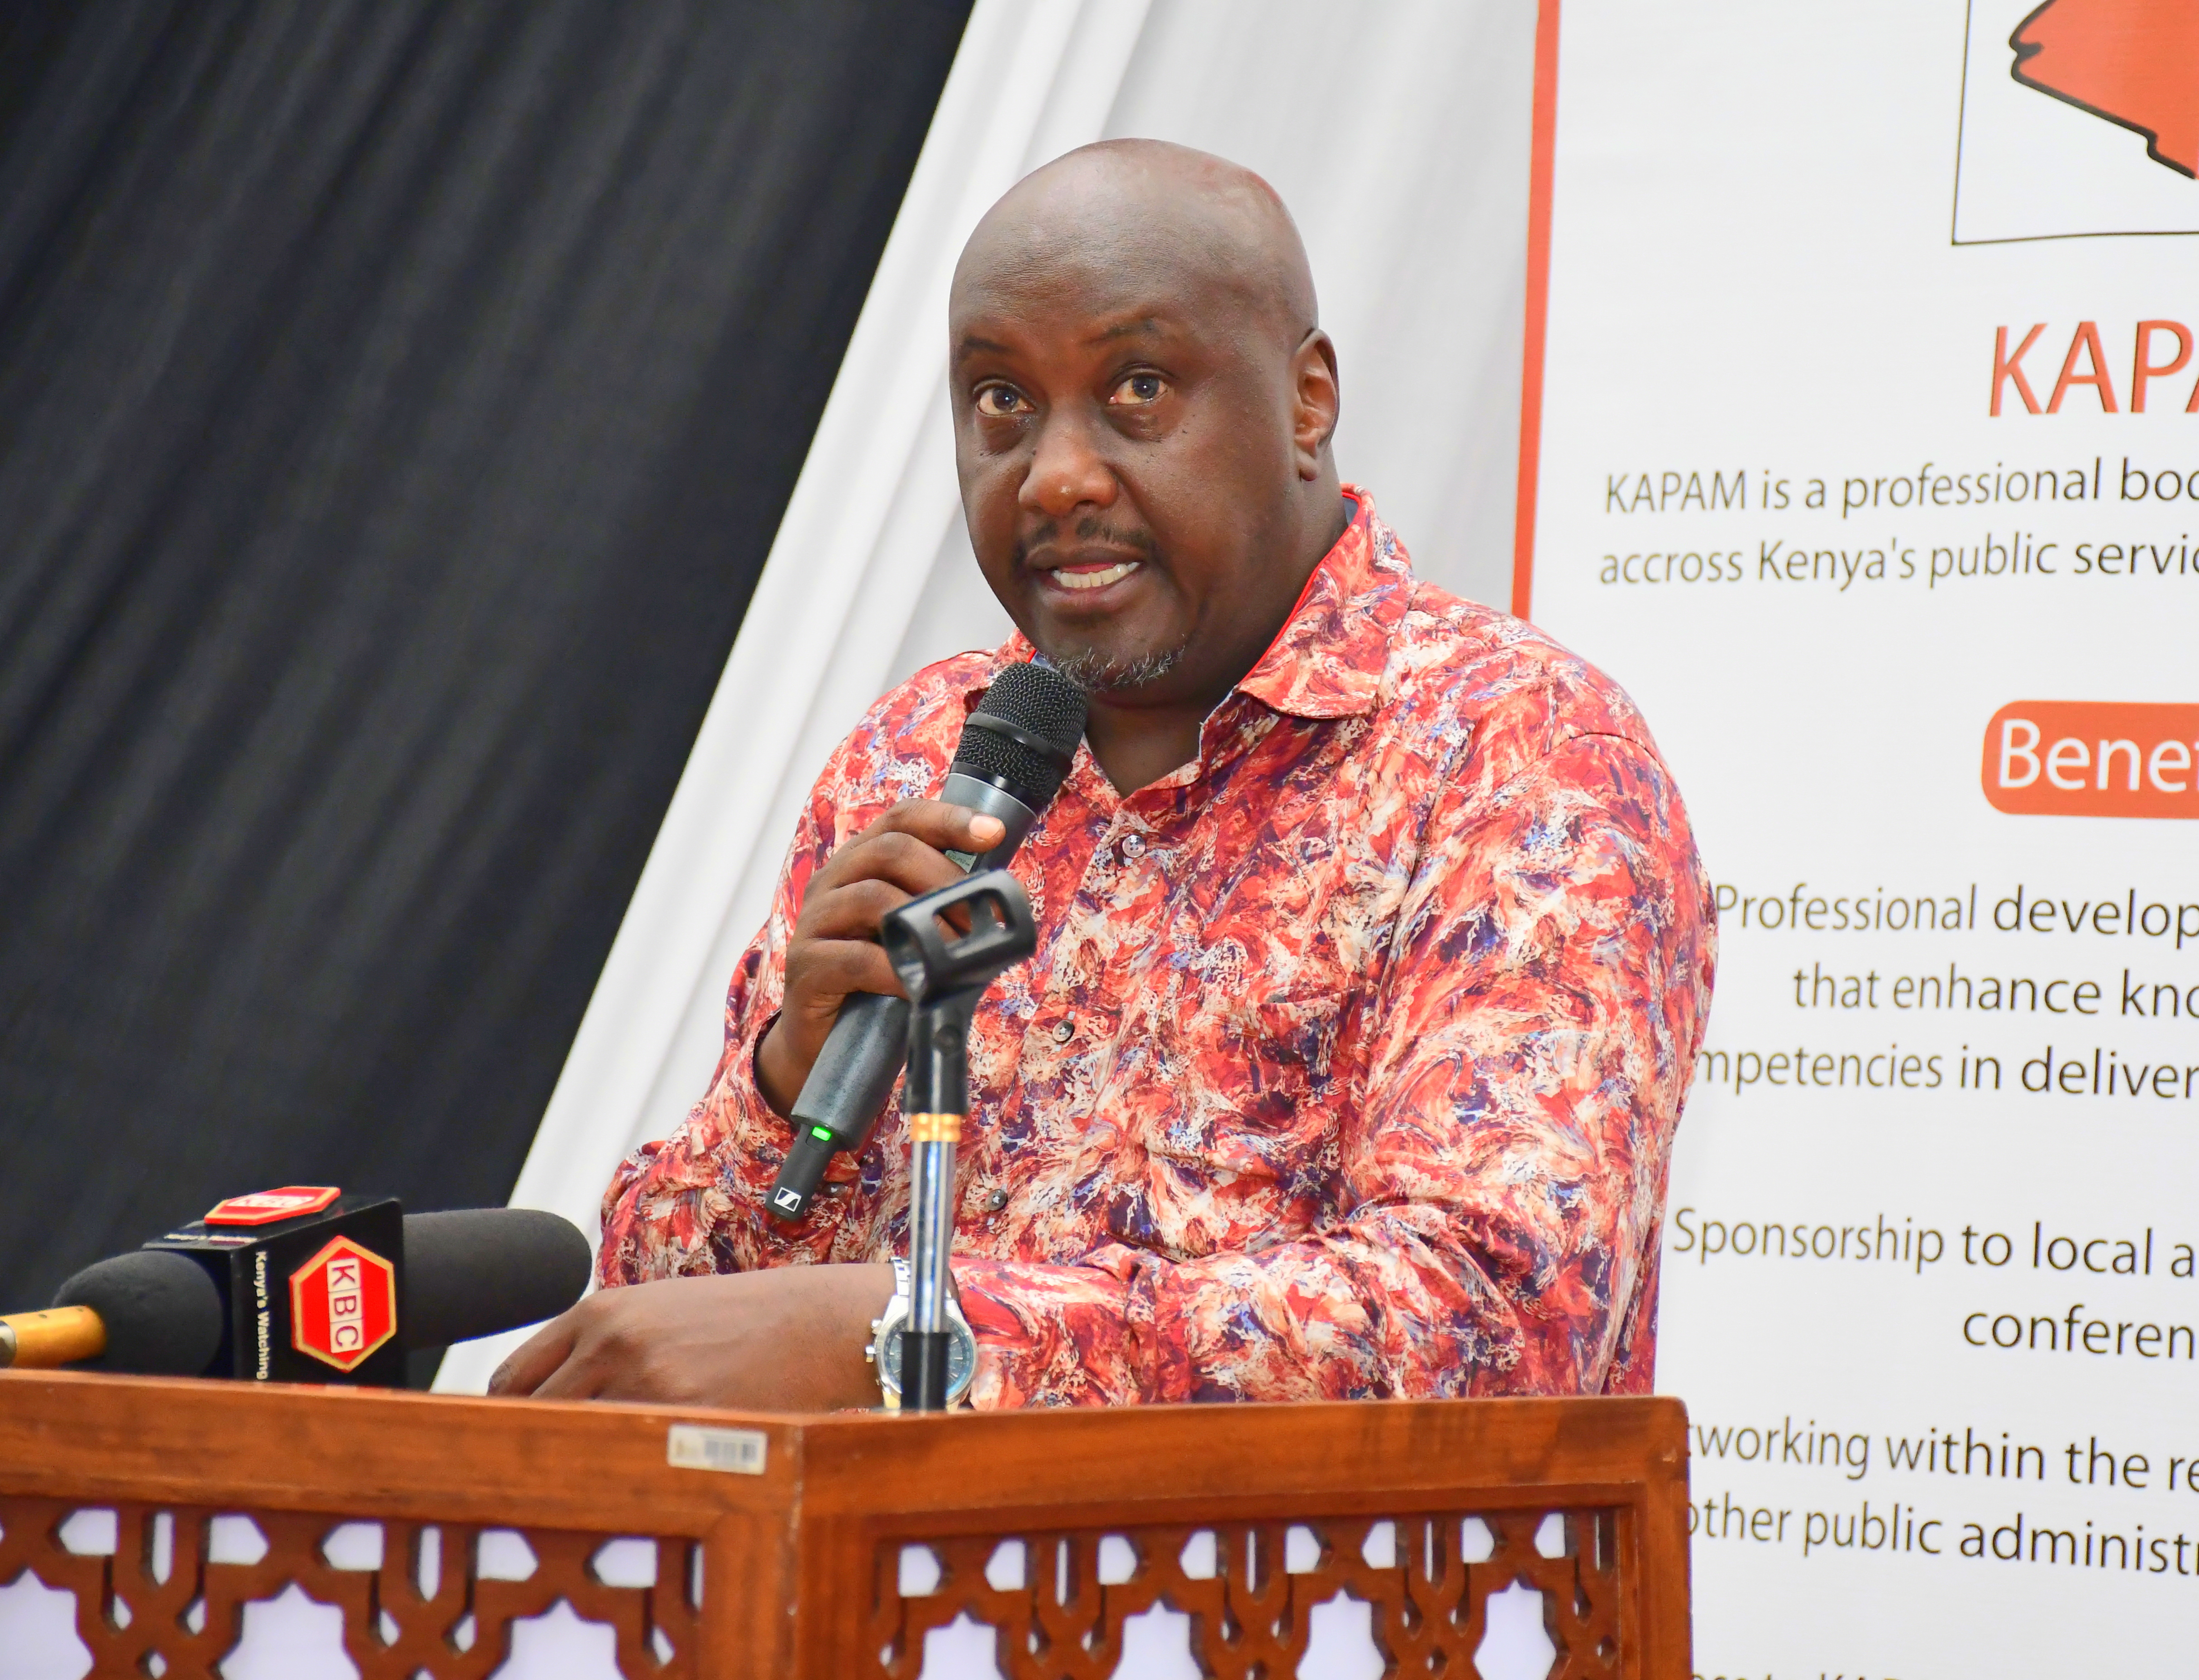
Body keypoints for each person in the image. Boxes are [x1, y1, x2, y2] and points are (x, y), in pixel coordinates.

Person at [492, 140, 1713, 1410]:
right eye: (1002, 402)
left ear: (1307, 403)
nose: (1057, 475)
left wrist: (918, 1338)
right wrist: (792, 1076)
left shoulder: (1523, 756)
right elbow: (669, 1333)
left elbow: (1491, 1325)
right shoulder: (918, 750)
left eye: (1138, 388)